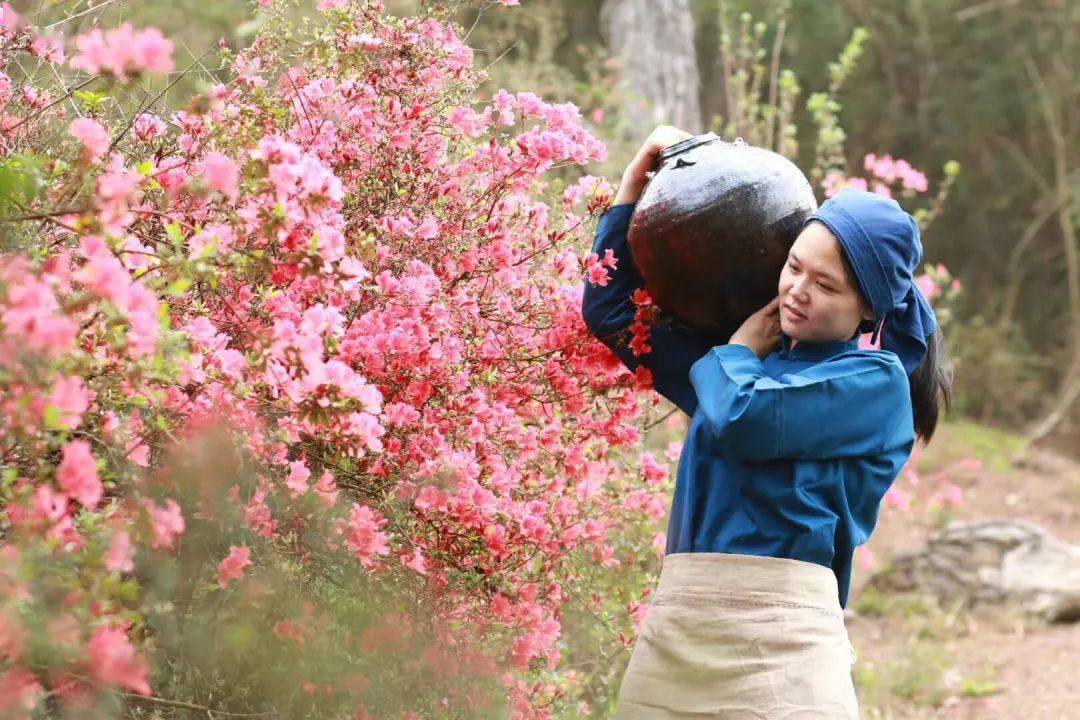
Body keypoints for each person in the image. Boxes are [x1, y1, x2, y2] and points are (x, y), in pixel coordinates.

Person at [581, 126, 953, 719]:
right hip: (678, 635)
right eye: (794, 267)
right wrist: (632, 188)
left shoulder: (874, 386)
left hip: (784, 651)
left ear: (869, 308)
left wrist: (734, 351)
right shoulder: (738, 364)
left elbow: (746, 419)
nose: (797, 292)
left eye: (825, 285)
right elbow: (610, 311)